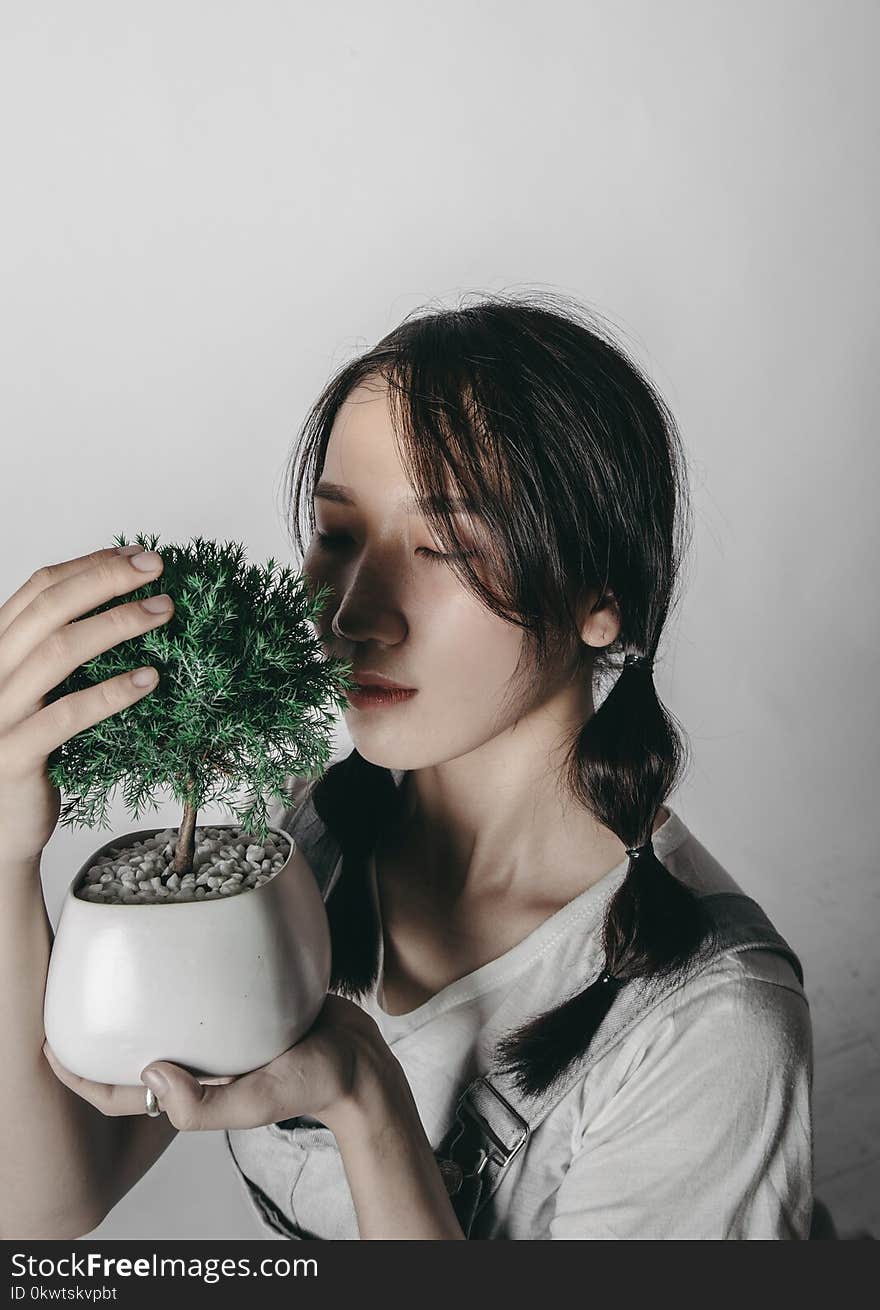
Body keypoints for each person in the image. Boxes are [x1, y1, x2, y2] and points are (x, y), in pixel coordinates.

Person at [0, 291, 815, 1241]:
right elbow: (45, 1215)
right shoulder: (303, 838)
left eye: (448, 549)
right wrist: (8, 858)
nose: (351, 617)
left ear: (605, 601)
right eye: (339, 536)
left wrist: (365, 1103)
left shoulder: (711, 1027)